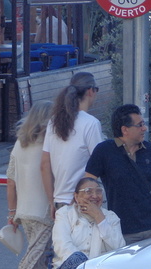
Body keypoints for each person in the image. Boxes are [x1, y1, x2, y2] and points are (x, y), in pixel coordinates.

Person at [1, 101, 54, 269]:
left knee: (36, 265)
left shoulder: (20, 144)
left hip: (25, 213)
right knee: (31, 266)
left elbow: (10, 182)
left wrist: (12, 213)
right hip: (44, 213)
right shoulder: (48, 146)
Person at [85, 104, 151, 244]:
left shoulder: (150, 149)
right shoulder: (104, 151)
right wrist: (97, 215)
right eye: (140, 125)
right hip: (123, 231)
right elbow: (87, 184)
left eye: (143, 124)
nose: (145, 128)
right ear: (125, 130)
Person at [41, 72, 103, 216]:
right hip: (83, 201)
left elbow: (44, 165)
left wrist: (51, 201)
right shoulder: (91, 123)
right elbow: (99, 163)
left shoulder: (54, 121)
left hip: (59, 201)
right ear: (90, 91)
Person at [52, 177, 125, 269]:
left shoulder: (111, 217)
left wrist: (99, 217)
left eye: (98, 191)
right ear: (76, 197)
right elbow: (62, 246)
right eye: (88, 191)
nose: (95, 196)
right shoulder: (65, 214)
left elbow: (119, 248)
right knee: (75, 258)